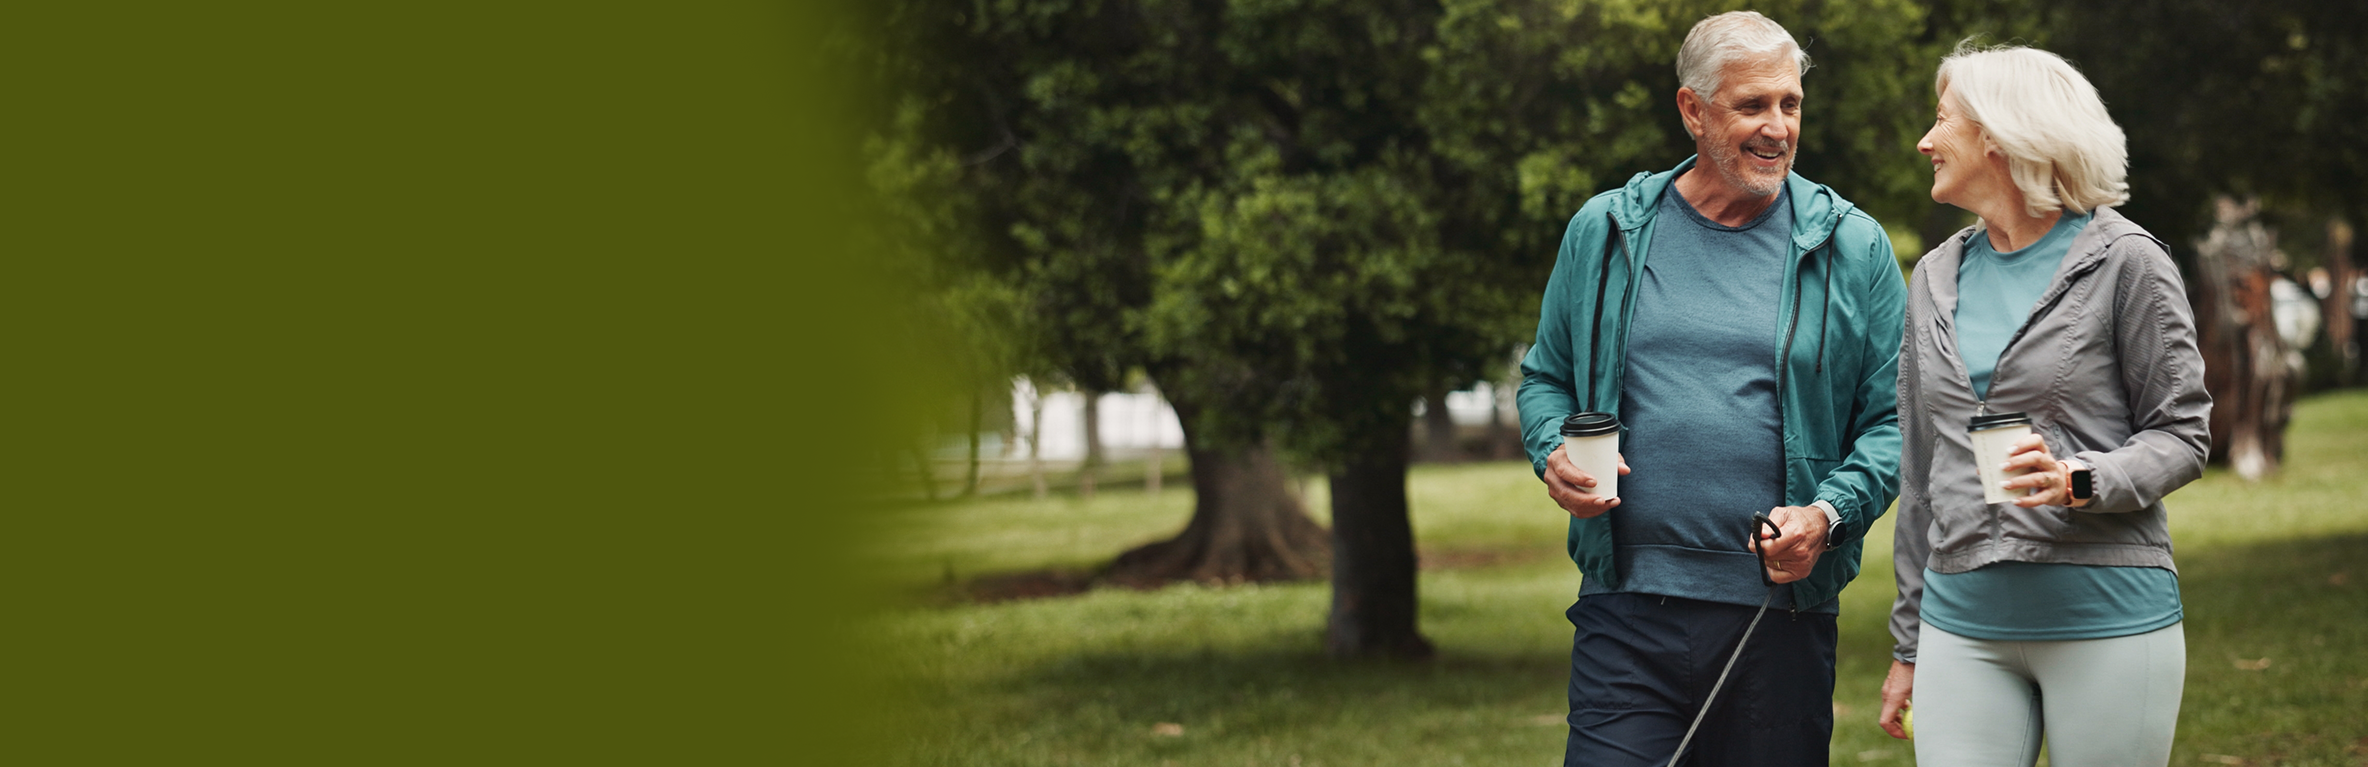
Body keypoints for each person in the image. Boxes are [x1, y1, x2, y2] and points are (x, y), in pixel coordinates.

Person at [1515, 11, 1906, 766]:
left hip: (1778, 618)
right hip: (1625, 607)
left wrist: (1830, 514)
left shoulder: (1852, 246)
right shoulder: (1606, 230)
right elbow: (1546, 377)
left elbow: (1894, 421)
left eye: (1790, 104)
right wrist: (1551, 450)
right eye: (1752, 105)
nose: (1777, 127)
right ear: (1693, 110)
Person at [1877, 43, 2211, 766]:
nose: (1924, 142)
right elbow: (1920, 472)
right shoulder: (1934, 275)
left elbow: (2183, 433)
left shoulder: (2127, 260)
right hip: (1960, 628)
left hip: (2106, 617)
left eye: (1941, 122)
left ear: (1997, 135)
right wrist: (1910, 643)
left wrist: (2080, 479)